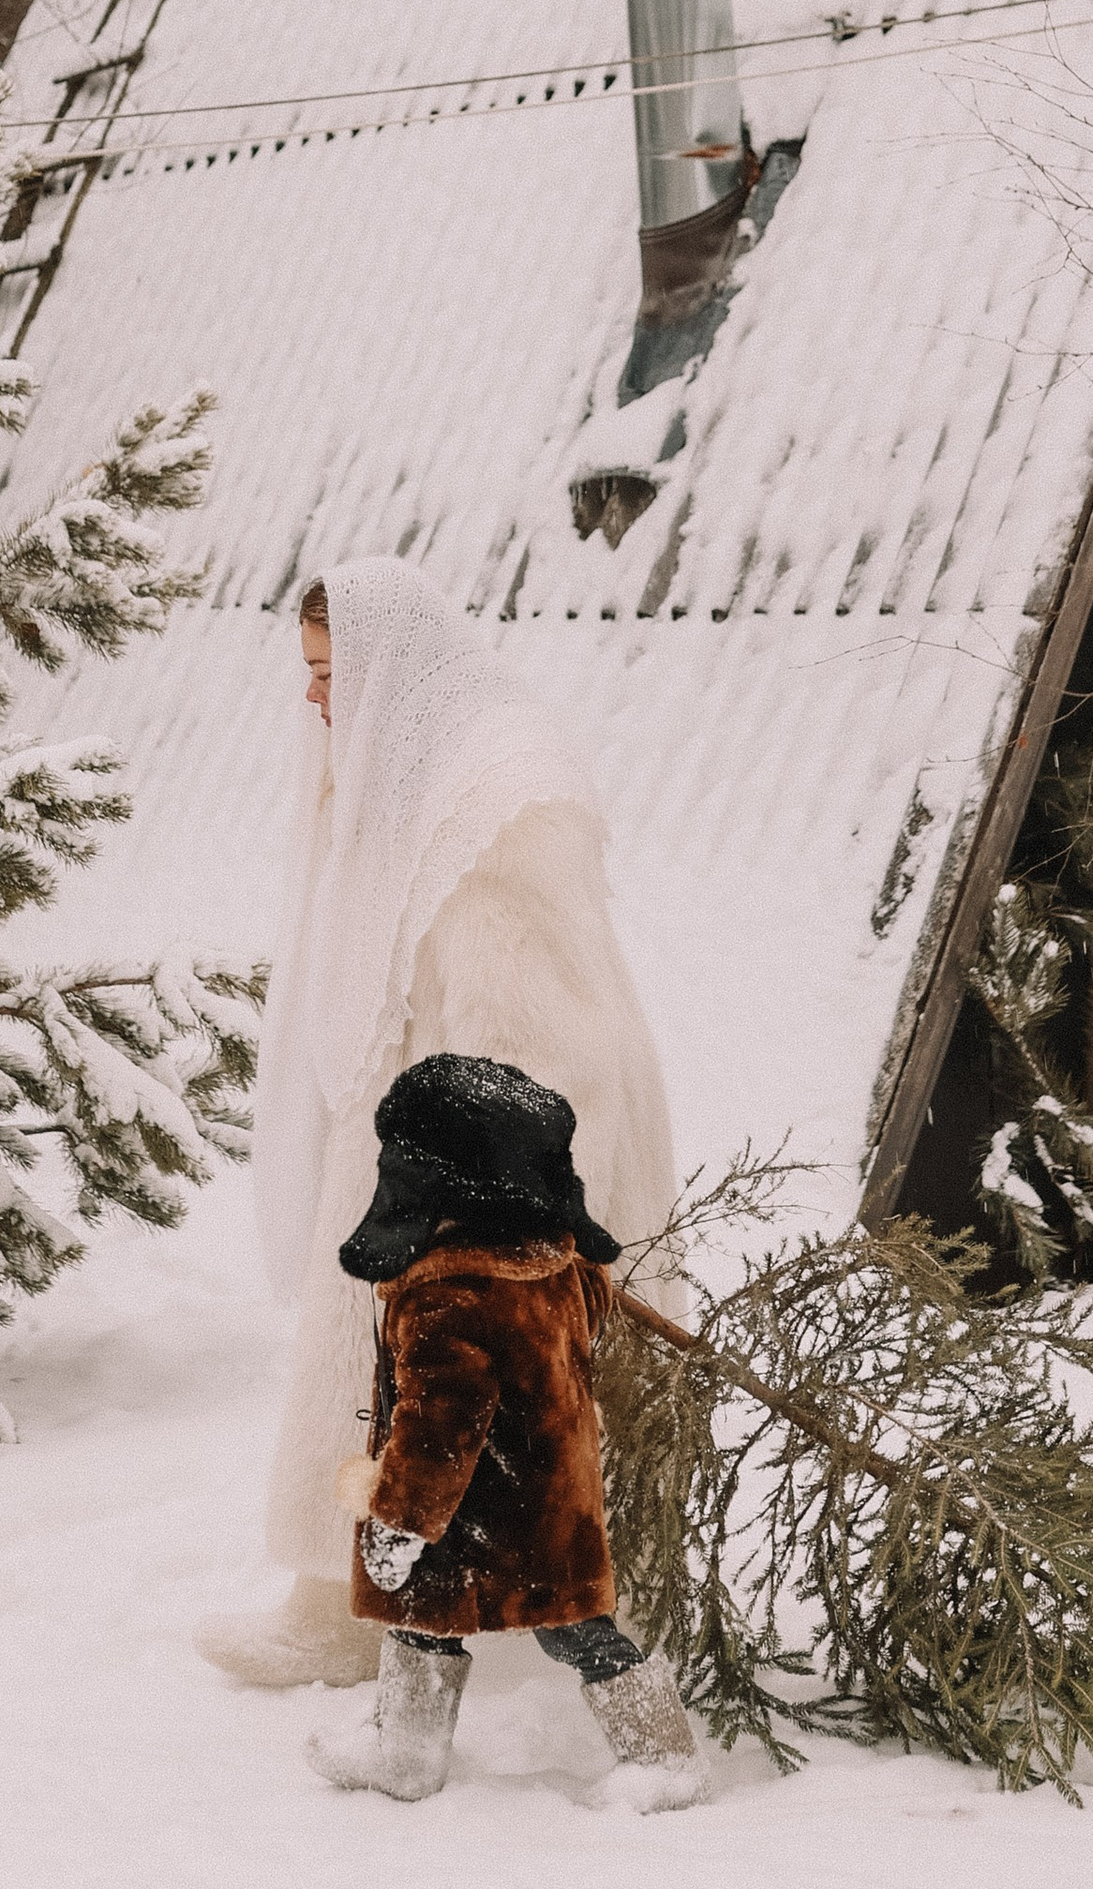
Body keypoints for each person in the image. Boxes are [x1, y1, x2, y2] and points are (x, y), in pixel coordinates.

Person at [194, 554, 677, 1693]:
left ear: (387, 672)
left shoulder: (493, 800)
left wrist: (485, 1204)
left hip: (489, 1145)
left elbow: (544, 1028)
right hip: (421, 1124)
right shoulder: (417, 765)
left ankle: (398, 1613)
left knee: (463, 1386)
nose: (312, 701)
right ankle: (346, 1595)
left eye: (326, 675)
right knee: (401, 1378)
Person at [305, 1052, 709, 1809]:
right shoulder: (556, 1265)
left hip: (483, 1511)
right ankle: (403, 1749)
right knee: (435, 1621)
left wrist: (397, 1520)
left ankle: (665, 1760)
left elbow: (438, 1432)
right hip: (548, 1495)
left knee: (567, 1633)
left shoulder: (449, 1299)